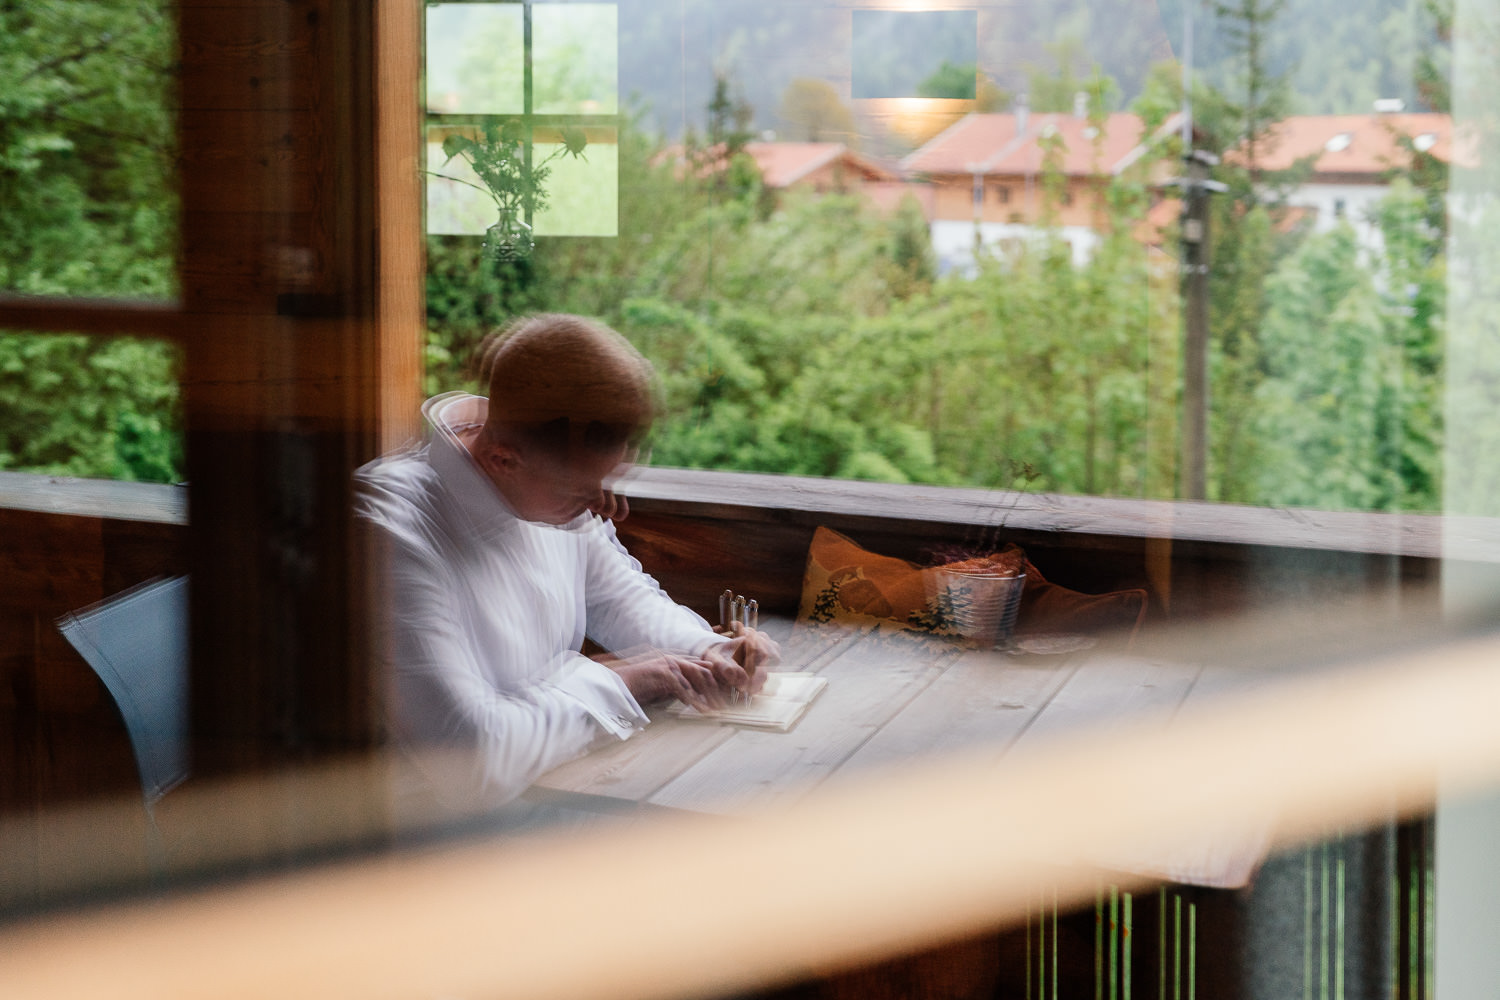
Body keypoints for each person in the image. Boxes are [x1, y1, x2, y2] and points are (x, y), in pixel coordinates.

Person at [355, 313, 778, 812]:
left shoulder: (548, 478)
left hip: (554, 788)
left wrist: (707, 652)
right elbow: (469, 760)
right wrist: (625, 679)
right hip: (424, 839)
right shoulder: (388, 529)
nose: (608, 507)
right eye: (583, 489)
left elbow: (620, 595)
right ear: (501, 459)